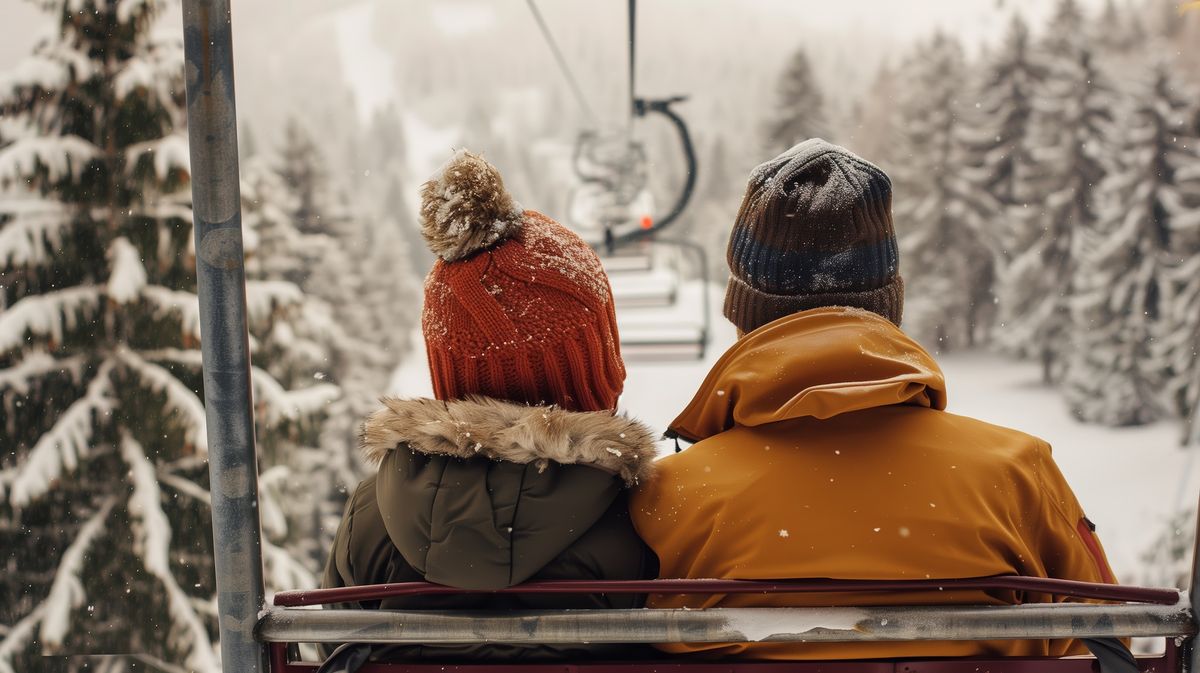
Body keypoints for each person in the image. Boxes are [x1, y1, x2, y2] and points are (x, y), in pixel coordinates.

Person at [630, 139, 1118, 661]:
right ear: (888, 307)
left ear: (744, 318)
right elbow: (1106, 638)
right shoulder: (1016, 474)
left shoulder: (673, 496)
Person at [321, 150, 658, 664]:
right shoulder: (646, 519)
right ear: (595, 376)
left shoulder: (372, 519)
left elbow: (336, 648)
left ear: (451, 380)